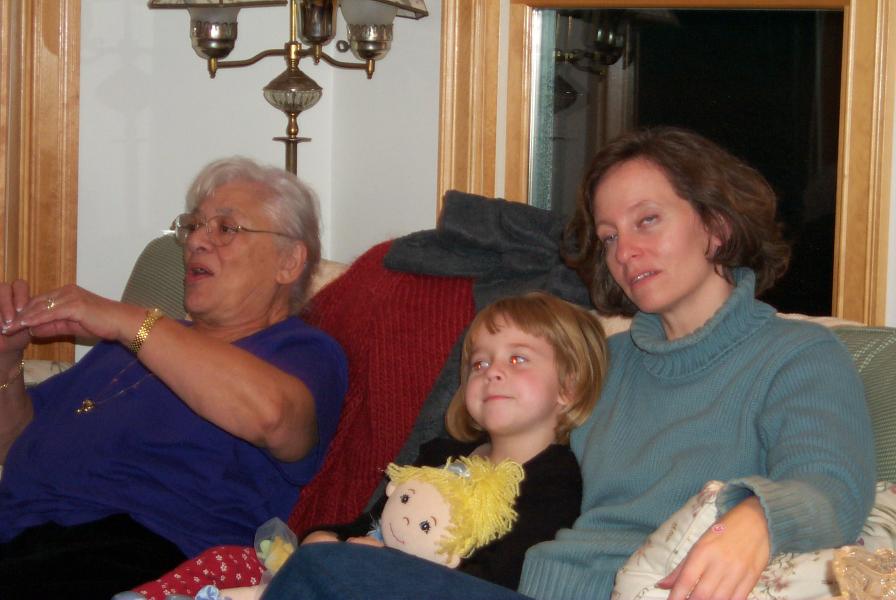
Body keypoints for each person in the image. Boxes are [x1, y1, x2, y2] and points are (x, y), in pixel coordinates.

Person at [260, 126, 875, 600]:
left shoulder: (796, 356)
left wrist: (756, 519)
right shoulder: (604, 362)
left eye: (647, 221)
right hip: (526, 585)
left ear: (716, 227)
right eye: (609, 236)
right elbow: (491, 469)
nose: (624, 252)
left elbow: (833, 488)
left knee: (328, 574)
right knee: (330, 564)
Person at [0, 157, 348, 599]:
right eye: (194, 226)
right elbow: (14, 442)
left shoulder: (300, 351)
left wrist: (129, 320)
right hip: (22, 537)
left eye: (226, 228)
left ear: (289, 261)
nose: (197, 241)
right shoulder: (126, 346)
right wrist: (6, 360)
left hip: (145, 554)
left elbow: (274, 418)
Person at [131, 290, 608, 599]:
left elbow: (498, 577)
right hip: (354, 572)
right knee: (229, 558)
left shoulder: (555, 478)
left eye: (518, 359)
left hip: (415, 588)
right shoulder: (439, 455)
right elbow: (371, 523)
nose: (493, 372)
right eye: (479, 364)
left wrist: (376, 563)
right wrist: (328, 534)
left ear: (568, 388)